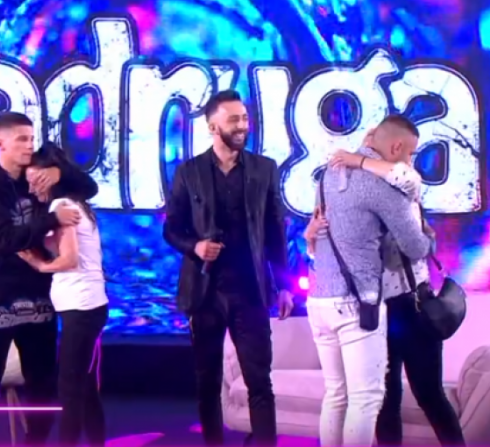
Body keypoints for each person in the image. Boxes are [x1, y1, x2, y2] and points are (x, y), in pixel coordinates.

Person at [163, 90, 294, 446]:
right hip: (205, 293)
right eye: (234, 119)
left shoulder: (263, 169)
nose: (242, 126)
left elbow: (275, 229)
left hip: (250, 291)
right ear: (212, 126)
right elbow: (171, 229)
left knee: (259, 380)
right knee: (207, 381)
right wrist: (195, 247)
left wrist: (284, 285)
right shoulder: (189, 172)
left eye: (245, 119)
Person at [306, 114, 434, 447]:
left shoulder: (328, 174)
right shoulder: (383, 186)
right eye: (410, 154)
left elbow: (317, 232)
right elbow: (414, 246)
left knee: (336, 393)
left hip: (319, 299)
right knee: (365, 399)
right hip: (356, 302)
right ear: (396, 148)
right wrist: (428, 237)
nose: (410, 161)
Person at [0, 112, 98, 444]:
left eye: (31, 138)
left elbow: (90, 187)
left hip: (41, 291)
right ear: (0, 144)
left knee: (42, 382)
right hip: (1, 291)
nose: (30, 145)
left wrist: (59, 172)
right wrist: (51, 219)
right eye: (22, 140)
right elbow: (4, 239)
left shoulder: (40, 171)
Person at [328, 147, 465, 446]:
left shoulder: (404, 189)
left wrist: (359, 160)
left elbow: (406, 178)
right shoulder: (355, 200)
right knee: (385, 402)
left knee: (429, 394)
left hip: (413, 307)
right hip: (376, 310)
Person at [16, 142, 109, 447]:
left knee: (69, 388)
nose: (32, 188)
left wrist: (39, 265)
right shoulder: (74, 204)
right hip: (86, 305)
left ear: (52, 176)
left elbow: (69, 259)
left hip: (82, 307)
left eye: (36, 180)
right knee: (84, 386)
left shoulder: (62, 206)